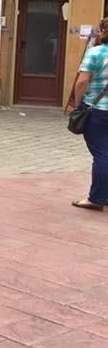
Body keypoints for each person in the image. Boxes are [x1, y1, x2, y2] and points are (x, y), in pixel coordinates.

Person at [70, 18, 108, 211]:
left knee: (101, 154)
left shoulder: (96, 53)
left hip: (97, 109)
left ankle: (96, 199)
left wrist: (79, 105)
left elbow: (81, 82)